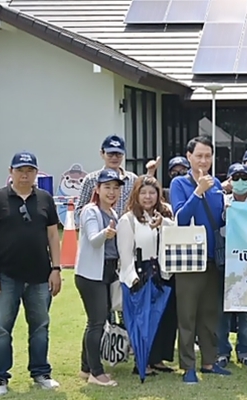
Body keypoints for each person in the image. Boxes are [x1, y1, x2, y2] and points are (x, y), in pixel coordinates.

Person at [0, 152, 62, 396]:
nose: (24, 175)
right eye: (20, 170)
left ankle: (41, 372)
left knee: (40, 326)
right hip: (5, 275)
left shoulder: (45, 199)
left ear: (36, 173)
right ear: (11, 171)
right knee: (1, 329)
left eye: (29, 170)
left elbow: (52, 236)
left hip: (40, 275)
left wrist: (56, 269)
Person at [170, 135, 229, 384]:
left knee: (210, 314)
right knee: (187, 315)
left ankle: (209, 361)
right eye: (199, 156)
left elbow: (220, 219)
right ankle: (188, 366)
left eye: (208, 156)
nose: (204, 161)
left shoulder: (216, 184)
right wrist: (197, 192)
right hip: (189, 259)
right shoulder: (179, 183)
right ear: (189, 157)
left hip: (213, 258)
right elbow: (181, 218)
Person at [117, 175, 176, 374]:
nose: (148, 197)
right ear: (136, 194)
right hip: (140, 274)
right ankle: (143, 361)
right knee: (143, 319)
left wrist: (163, 223)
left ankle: (158, 358)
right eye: (143, 193)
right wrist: (132, 278)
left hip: (163, 273)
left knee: (164, 317)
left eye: (152, 193)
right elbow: (125, 254)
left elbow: (176, 232)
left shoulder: (164, 215)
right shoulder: (128, 220)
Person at [75, 168, 125, 386]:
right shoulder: (90, 211)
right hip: (91, 274)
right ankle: (96, 373)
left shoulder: (113, 213)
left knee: (96, 321)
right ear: (97, 189)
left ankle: (86, 367)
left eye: (115, 188)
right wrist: (107, 233)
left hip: (107, 272)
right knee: (97, 322)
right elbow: (94, 240)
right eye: (107, 187)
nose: (112, 192)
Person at [217, 163, 247, 369]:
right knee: (222, 312)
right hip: (226, 263)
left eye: (244, 178)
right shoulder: (221, 202)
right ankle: (222, 351)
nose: (240, 182)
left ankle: (245, 350)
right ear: (230, 181)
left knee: (246, 312)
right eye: (236, 178)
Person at [77, 134, 156, 225]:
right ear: (102, 153)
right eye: (110, 154)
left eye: (118, 154)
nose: (114, 158)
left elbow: (142, 205)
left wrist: (150, 173)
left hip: (128, 228)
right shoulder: (91, 179)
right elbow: (78, 213)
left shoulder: (133, 179)